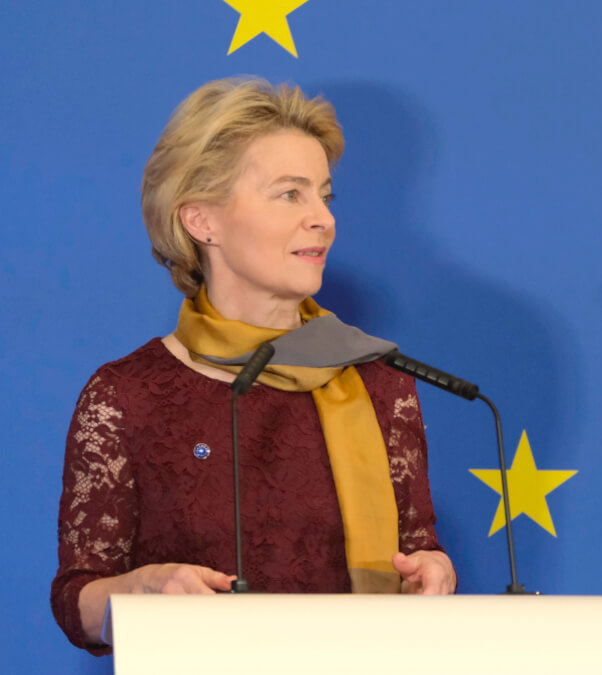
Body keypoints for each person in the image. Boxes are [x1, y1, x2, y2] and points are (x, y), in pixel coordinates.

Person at [51, 77, 455, 654]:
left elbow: (418, 551)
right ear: (201, 221)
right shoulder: (126, 396)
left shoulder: (380, 383)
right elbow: (77, 599)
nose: (323, 219)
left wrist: (431, 571)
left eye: (325, 196)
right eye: (290, 194)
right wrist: (141, 590)